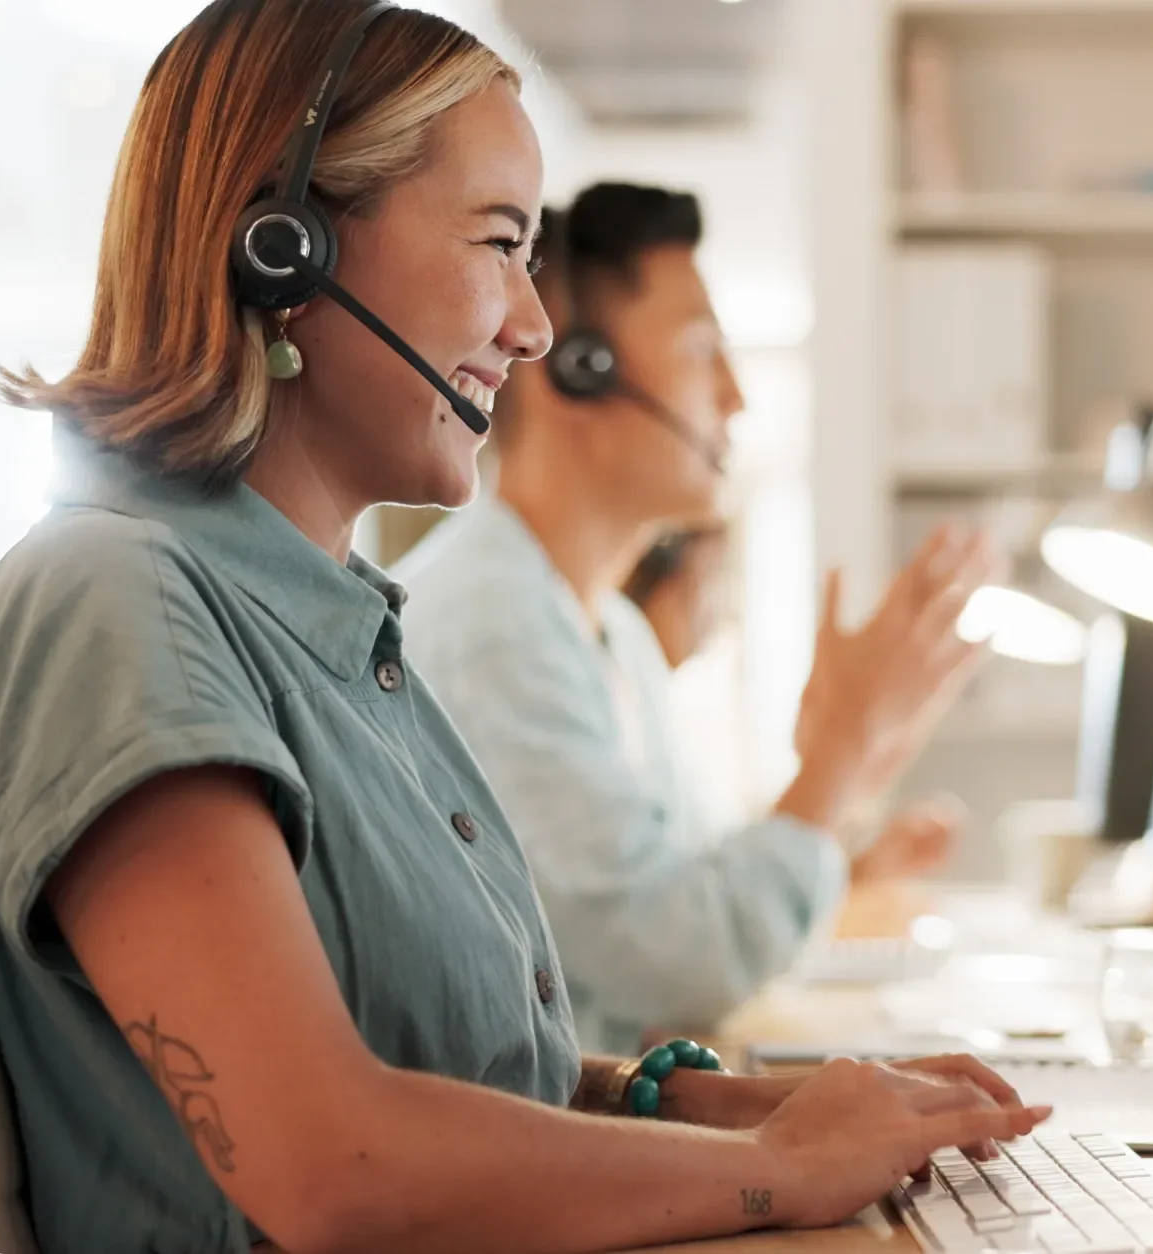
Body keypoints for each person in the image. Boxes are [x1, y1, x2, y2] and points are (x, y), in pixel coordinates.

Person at [0, 5, 1047, 1253]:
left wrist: (717, 1104)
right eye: (500, 243)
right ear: (284, 249)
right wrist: (772, 1170)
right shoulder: (115, 601)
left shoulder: (326, 625)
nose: (533, 327)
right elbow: (330, 1164)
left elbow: (446, 1063)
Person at [396, 183, 995, 1054]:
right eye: (702, 349)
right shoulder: (497, 629)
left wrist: (848, 800)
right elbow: (682, 959)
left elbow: (679, 895)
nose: (736, 396)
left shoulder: (610, 632)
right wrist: (836, 761)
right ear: (578, 370)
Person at [623, 524, 964, 882]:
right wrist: (843, 741)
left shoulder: (658, 717)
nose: (717, 615)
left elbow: (729, 887)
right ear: (655, 580)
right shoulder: (622, 714)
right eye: (709, 582)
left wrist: (863, 864)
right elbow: (710, 912)